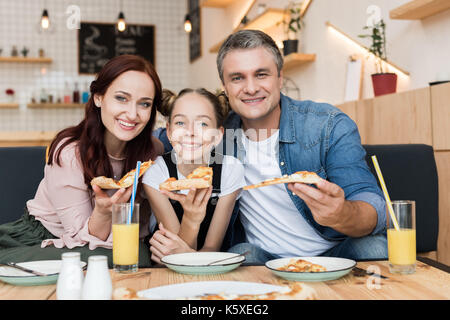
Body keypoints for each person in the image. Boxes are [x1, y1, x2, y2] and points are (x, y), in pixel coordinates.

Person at [213, 29, 388, 263]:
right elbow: (167, 137)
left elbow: (372, 205)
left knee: (376, 249)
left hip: (332, 252)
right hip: (262, 257)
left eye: (261, 74)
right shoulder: (215, 134)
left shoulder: (328, 125)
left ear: (280, 78)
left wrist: (341, 214)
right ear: (224, 85)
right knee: (241, 254)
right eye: (237, 78)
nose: (251, 88)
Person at [0, 54, 164, 267]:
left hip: (111, 247)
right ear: (98, 97)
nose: (132, 114)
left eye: (144, 104)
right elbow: (80, 239)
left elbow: (143, 229)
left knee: (137, 255)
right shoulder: (70, 153)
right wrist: (103, 214)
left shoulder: (152, 152)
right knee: (138, 256)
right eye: (121, 98)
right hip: (41, 242)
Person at [142, 88, 245, 264]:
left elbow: (211, 248)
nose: (190, 132)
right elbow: (174, 257)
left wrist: (184, 254)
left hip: (212, 267)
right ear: (169, 132)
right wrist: (191, 219)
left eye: (203, 124)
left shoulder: (230, 169)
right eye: (180, 123)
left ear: (218, 135)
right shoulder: (156, 173)